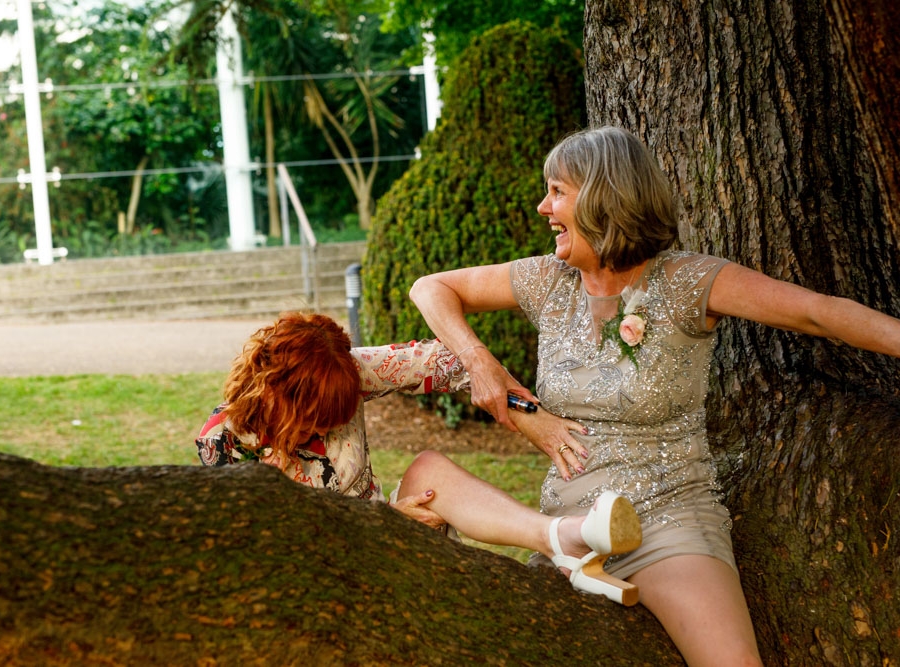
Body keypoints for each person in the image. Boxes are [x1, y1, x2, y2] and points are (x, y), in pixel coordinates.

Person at [407, 125, 900, 666]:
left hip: (665, 520)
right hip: (565, 524)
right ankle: (562, 541)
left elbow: (819, 312)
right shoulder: (546, 280)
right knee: (426, 475)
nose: (543, 206)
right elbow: (430, 287)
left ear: (602, 197)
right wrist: (484, 365)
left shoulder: (685, 281)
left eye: (557, 191)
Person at [195, 311, 645, 606]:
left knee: (428, 468)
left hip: (396, 541)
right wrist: (387, 521)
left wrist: (531, 417)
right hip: (323, 580)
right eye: (316, 418)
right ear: (275, 389)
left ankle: (562, 540)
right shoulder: (224, 443)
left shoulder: (348, 371)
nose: (325, 429)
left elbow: (453, 363)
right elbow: (269, 553)